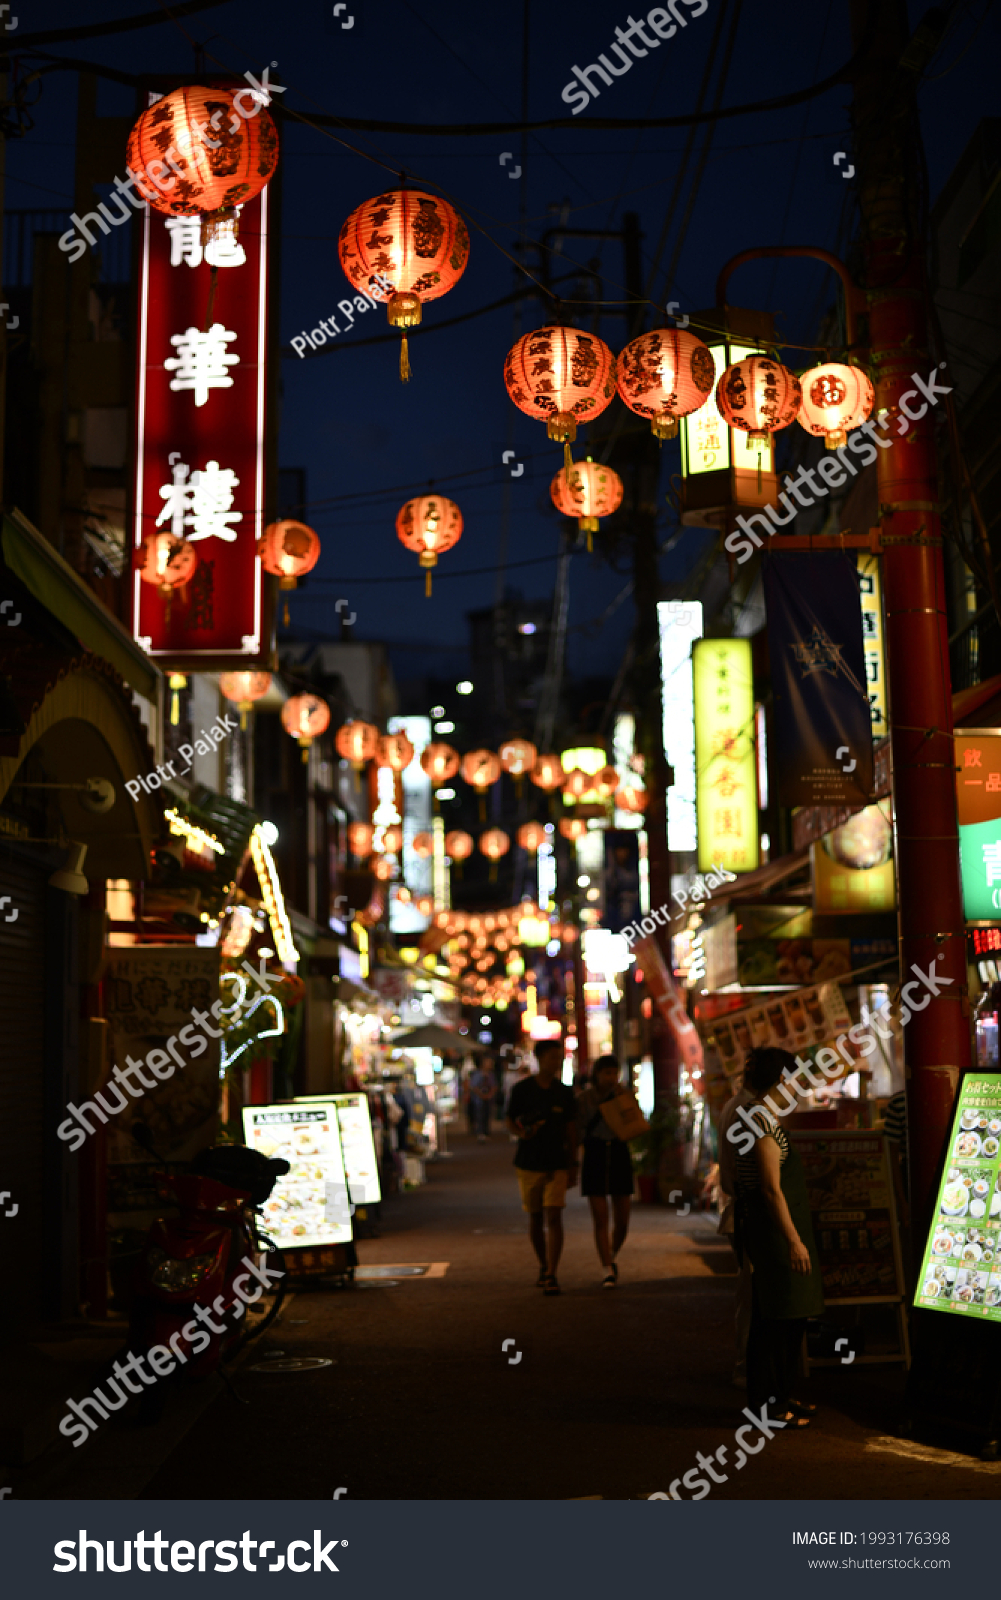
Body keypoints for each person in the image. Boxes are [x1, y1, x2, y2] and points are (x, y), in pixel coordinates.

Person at [733, 1047, 824, 1430]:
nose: (797, 1085)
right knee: (775, 1319)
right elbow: (770, 1189)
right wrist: (793, 1240)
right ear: (781, 1080)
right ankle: (767, 1407)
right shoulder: (761, 1121)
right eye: (794, 1077)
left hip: (769, 1228)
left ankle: (779, 1398)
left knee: (784, 1318)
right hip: (772, 1231)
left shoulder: (758, 1115)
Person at [506, 1038, 578, 1295]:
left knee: (554, 1215)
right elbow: (509, 1119)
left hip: (557, 1161)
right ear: (538, 1058)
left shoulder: (564, 1092)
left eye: (559, 1058)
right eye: (552, 1058)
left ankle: (551, 1273)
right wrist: (521, 1133)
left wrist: (573, 1163)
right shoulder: (523, 1090)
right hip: (529, 1161)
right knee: (536, 1217)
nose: (556, 1063)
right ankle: (543, 1264)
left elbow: (571, 1128)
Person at [575, 1055, 634, 1287]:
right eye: (606, 1072)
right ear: (596, 1074)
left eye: (614, 1072)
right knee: (600, 1217)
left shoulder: (624, 1094)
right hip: (595, 1153)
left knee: (623, 1219)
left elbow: (634, 1121)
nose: (611, 1077)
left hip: (619, 1152)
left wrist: (623, 1101)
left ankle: (610, 1254)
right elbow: (578, 1128)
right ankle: (607, 1267)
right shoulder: (584, 1099)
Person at [718, 1071, 757, 1385]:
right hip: (748, 1212)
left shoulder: (735, 1105)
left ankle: (748, 1363)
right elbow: (759, 1179)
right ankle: (748, 1365)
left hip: (738, 1210)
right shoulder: (750, 1111)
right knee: (752, 1292)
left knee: (749, 1291)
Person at [468, 1059, 497, 1142]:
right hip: (479, 1100)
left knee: (487, 1115)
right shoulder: (477, 1074)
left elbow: (494, 1086)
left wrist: (489, 1095)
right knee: (480, 1116)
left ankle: (486, 1132)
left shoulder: (491, 1075)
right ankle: (481, 1133)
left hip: (488, 1099)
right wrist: (482, 1095)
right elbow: (474, 1087)